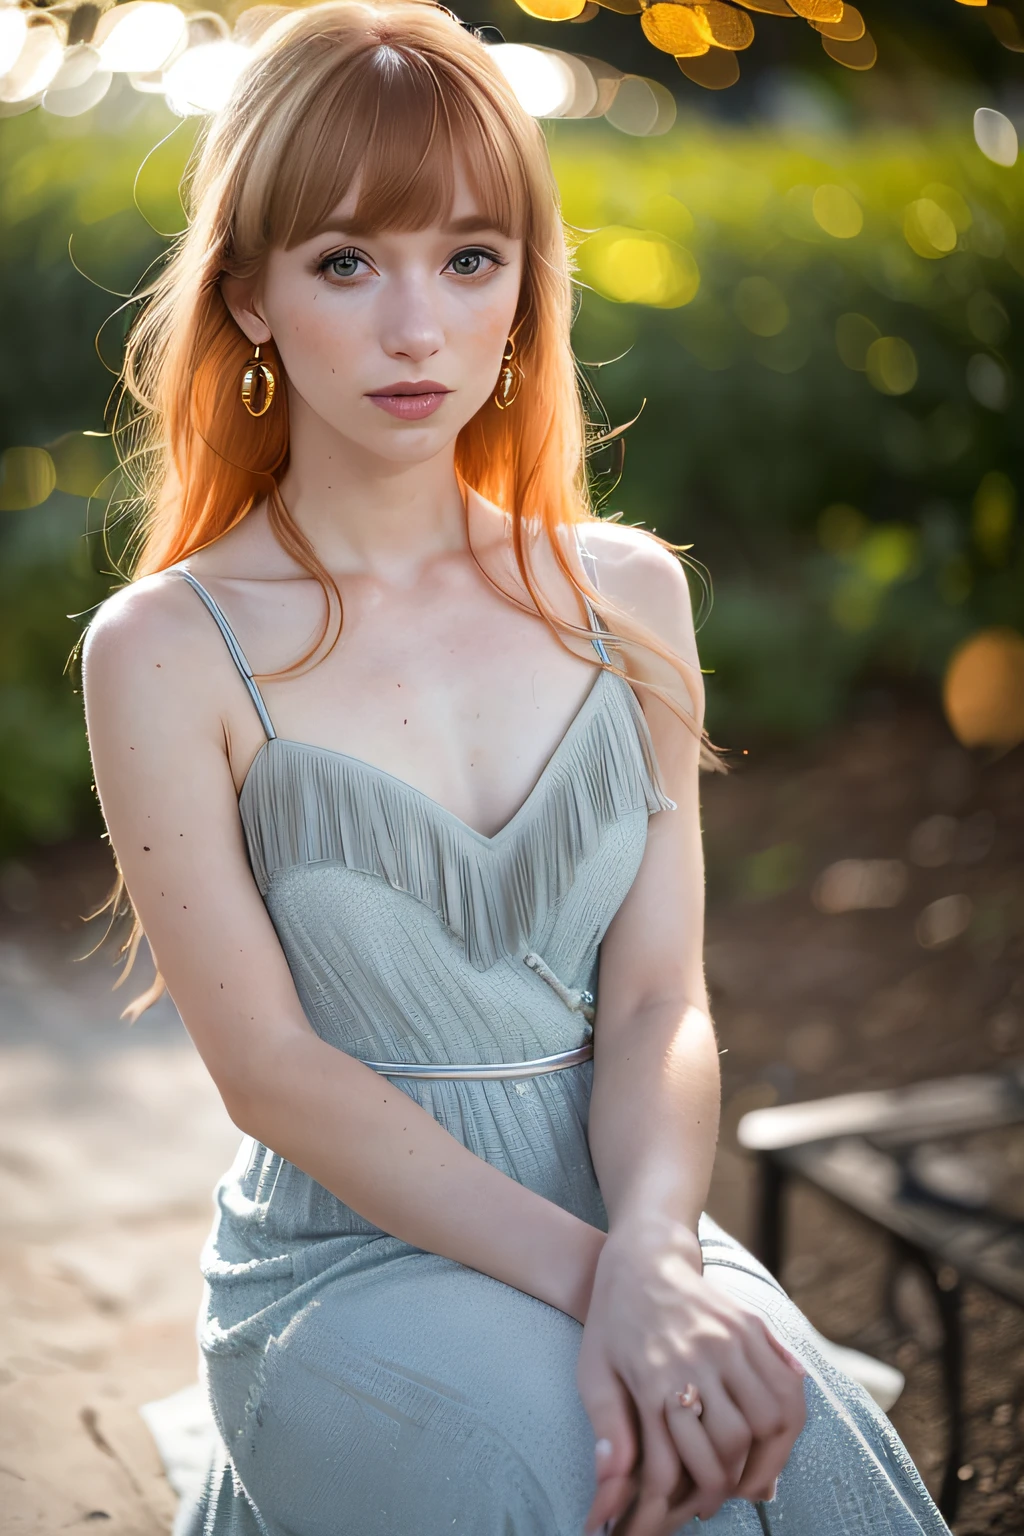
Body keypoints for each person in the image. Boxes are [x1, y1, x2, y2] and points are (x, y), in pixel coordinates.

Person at [80, 4, 951, 1533]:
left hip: (631, 1214)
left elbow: (662, 999)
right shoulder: (166, 645)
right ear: (252, 300)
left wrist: (661, 1257)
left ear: (523, 291)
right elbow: (268, 1073)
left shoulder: (628, 596)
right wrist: (608, 1287)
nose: (418, 326)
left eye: (470, 258)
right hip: (344, 1263)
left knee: (806, 1473)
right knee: (590, 1484)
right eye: (348, 261)